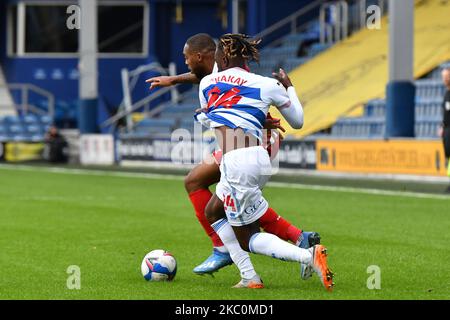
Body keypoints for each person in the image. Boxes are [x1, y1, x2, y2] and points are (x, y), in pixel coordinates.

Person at [146, 34, 320, 277]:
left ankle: (232, 250)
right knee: (207, 192)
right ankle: (295, 240)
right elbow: (202, 79)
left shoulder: (219, 70)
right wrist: (174, 80)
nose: (185, 62)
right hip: (244, 144)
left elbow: (208, 85)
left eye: (186, 57)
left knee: (230, 210)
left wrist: (258, 120)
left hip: (253, 143)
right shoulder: (219, 70)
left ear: (204, 56)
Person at [196, 33, 333, 291]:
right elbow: (298, 122)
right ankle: (250, 277)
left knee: (247, 238)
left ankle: (308, 256)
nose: (215, 62)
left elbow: (209, 117)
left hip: (237, 161)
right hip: (258, 157)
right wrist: (289, 86)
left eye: (216, 57)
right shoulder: (266, 84)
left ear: (223, 57)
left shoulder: (207, 83)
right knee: (213, 210)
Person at [438, 68, 450, 193]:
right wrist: (442, 126)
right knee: (448, 156)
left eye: (447, 76)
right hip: (447, 130)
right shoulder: (446, 93)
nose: (445, 79)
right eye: (443, 77)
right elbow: (445, 114)